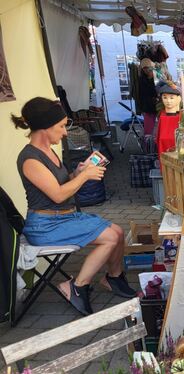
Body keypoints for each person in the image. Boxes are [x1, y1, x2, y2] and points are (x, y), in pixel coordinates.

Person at [13, 98, 137, 316]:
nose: (64, 133)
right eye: (61, 126)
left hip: (63, 217)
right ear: (44, 128)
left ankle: (113, 278)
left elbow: (59, 185)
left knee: (117, 232)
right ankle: (77, 286)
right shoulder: (30, 159)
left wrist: (77, 174)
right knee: (109, 238)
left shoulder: (49, 150)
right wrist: (85, 176)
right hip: (44, 226)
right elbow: (59, 195)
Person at [156, 81, 183, 157]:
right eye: (165, 97)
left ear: (179, 99)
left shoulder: (180, 116)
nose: (168, 101)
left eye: (172, 98)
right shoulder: (162, 116)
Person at [138, 58, 158, 136]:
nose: (146, 70)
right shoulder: (142, 79)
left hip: (157, 104)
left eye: (148, 67)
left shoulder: (157, 76)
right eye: (144, 68)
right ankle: (148, 146)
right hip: (148, 107)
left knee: (159, 127)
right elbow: (143, 94)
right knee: (148, 131)